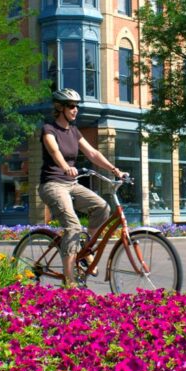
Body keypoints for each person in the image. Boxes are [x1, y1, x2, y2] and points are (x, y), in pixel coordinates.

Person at [38, 88, 124, 286]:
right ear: (60, 108)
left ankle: (85, 250)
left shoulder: (74, 131)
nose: (75, 109)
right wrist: (66, 167)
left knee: (102, 207)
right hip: (53, 184)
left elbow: (93, 153)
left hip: (71, 184)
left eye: (77, 106)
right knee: (73, 227)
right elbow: (54, 150)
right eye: (71, 106)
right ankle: (69, 282)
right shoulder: (49, 129)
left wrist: (114, 169)